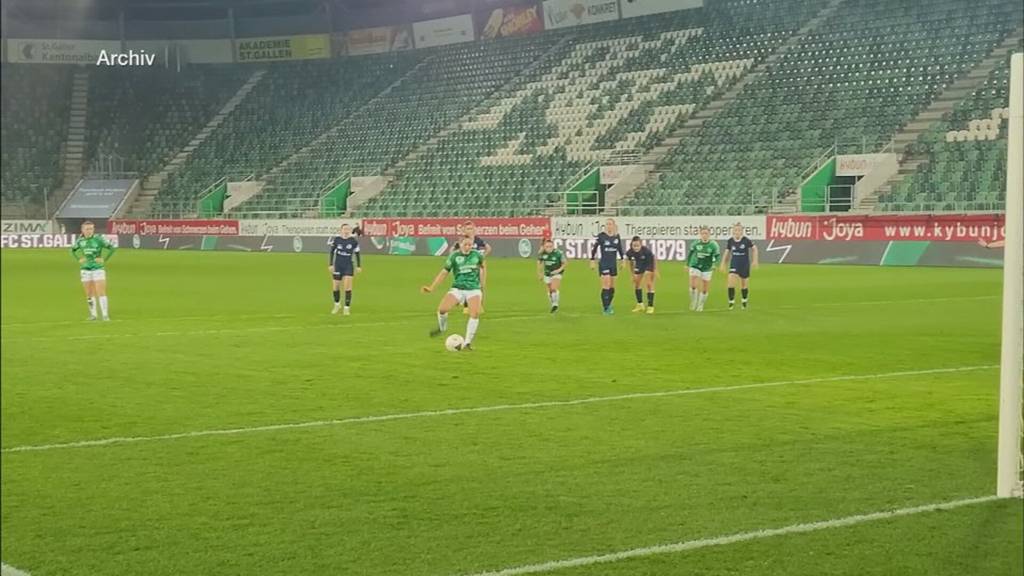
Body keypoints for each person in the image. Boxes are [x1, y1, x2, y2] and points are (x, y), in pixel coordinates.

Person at [423, 233, 486, 350]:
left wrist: (482, 285)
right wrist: (432, 287)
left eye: (470, 245)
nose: (468, 247)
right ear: (460, 244)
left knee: (474, 314)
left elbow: (483, 267)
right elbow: (444, 273)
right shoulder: (454, 257)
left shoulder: (477, 255)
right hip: (458, 288)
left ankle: (467, 343)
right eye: (465, 244)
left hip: (473, 289)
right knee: (442, 310)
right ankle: (442, 328)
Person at [70, 221, 116, 321]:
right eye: (87, 229)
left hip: (97, 268)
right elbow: (72, 250)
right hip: (85, 269)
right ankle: (93, 315)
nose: (89, 231)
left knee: (101, 292)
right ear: (82, 230)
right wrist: (78, 259)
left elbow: (112, 248)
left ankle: (105, 315)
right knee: (89, 294)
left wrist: (104, 259)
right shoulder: (80, 241)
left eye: (91, 228)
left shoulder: (98, 239)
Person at [453, 220, 491, 315]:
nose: (470, 230)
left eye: (471, 228)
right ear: (464, 230)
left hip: (479, 266)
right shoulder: (462, 241)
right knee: (467, 285)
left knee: (481, 285)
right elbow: (452, 250)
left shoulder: (478, 240)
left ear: (474, 229)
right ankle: (466, 306)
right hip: (467, 266)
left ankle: (479, 305)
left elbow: (488, 248)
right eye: (468, 229)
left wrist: (482, 257)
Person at [589, 218, 625, 315]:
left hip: (613, 264)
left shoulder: (617, 237)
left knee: (612, 287)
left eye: (610, 224)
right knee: (606, 284)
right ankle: (605, 308)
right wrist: (592, 260)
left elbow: (620, 249)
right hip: (604, 263)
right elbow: (594, 248)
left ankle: (608, 304)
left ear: (614, 226)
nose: (608, 226)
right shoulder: (601, 236)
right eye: (607, 224)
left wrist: (623, 260)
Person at [720, 223, 758, 310]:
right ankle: (731, 302)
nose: (737, 232)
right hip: (734, 264)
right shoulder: (730, 241)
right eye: (735, 230)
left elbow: (754, 248)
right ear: (733, 231)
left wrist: (755, 260)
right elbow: (727, 252)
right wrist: (723, 264)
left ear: (741, 231)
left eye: (739, 230)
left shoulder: (746, 240)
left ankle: (744, 301)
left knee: (744, 284)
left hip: (744, 264)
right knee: (730, 282)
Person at [327, 223, 361, 315]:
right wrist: (331, 264)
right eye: (344, 229)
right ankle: (337, 304)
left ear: (350, 231)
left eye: (348, 229)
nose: (346, 231)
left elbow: (357, 253)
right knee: (336, 287)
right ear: (341, 230)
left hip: (348, 266)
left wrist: (358, 266)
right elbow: (332, 252)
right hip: (338, 265)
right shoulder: (337, 240)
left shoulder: (353, 241)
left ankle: (346, 308)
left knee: (347, 287)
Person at [687, 226, 720, 312]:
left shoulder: (713, 245)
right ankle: (693, 301)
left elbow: (717, 256)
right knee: (693, 285)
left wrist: (714, 264)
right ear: (700, 234)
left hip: (707, 267)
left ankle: (700, 304)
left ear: (709, 234)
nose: (704, 235)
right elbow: (690, 254)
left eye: (706, 233)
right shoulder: (695, 243)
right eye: (703, 233)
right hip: (695, 265)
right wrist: (687, 264)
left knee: (705, 289)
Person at [626, 236, 658, 314]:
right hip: (640, 264)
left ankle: (650, 306)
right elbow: (631, 263)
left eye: (637, 245)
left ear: (641, 244)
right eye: (634, 245)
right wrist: (632, 274)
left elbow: (653, 259)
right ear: (631, 245)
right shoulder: (629, 252)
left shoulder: (646, 251)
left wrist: (655, 270)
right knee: (637, 284)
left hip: (648, 264)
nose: (636, 247)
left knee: (648, 284)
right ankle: (640, 304)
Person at [536, 238, 566, 313]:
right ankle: (553, 305)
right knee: (549, 291)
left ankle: (555, 304)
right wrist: (540, 273)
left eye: (550, 246)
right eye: (547, 247)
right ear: (544, 247)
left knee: (553, 288)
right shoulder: (542, 253)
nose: (549, 248)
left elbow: (564, 263)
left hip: (557, 273)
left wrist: (558, 270)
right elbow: (539, 263)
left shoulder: (558, 253)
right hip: (547, 273)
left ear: (553, 246)